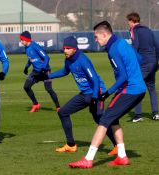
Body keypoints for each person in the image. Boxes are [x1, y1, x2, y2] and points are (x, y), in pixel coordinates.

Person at [68, 21, 146, 169]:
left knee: (104, 120)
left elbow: (123, 76)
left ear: (104, 34)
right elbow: (140, 59)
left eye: (97, 37)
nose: (96, 40)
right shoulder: (122, 42)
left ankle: (88, 159)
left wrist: (107, 93)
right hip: (139, 89)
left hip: (129, 90)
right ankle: (122, 156)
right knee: (113, 119)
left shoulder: (113, 50)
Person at [35, 36, 116, 155]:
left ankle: (117, 145)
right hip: (85, 94)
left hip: (96, 92)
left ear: (74, 49)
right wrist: (47, 77)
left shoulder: (83, 60)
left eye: (68, 48)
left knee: (99, 118)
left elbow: (95, 80)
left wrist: (94, 98)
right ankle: (71, 145)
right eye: (64, 48)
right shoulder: (68, 59)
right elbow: (64, 71)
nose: (65, 51)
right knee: (63, 112)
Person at [126, 12, 159, 122]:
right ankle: (155, 113)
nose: (128, 24)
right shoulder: (148, 30)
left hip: (143, 62)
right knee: (151, 88)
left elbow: (135, 46)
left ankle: (138, 115)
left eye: (128, 21)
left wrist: (131, 62)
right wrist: (156, 62)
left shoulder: (134, 30)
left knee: (136, 85)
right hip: (152, 61)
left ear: (132, 21)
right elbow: (157, 46)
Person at [19, 31, 60, 112]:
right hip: (36, 72)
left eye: (22, 39)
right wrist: (26, 67)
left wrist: (44, 68)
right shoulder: (26, 47)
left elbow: (47, 58)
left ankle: (58, 107)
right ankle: (35, 104)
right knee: (26, 87)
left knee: (49, 89)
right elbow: (31, 58)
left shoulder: (35, 46)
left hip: (44, 71)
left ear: (27, 40)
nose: (21, 41)